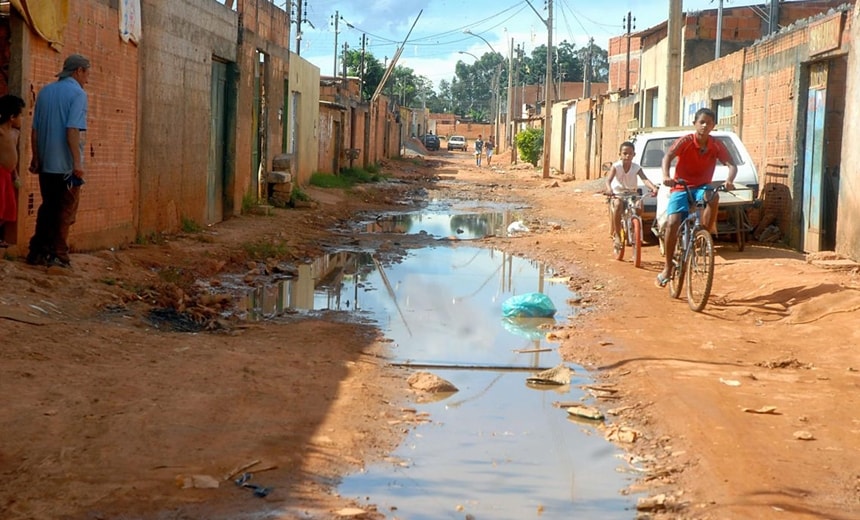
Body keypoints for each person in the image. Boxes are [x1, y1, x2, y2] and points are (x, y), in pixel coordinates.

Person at [655, 108, 736, 287]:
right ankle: (668, 267)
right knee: (673, 222)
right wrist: (666, 175)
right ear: (695, 124)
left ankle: (703, 234)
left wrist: (729, 180)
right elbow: (668, 156)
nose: (705, 126)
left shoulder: (716, 145)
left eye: (709, 123)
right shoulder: (686, 141)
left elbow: (732, 165)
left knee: (713, 197)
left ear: (714, 126)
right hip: (681, 186)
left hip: (702, 187)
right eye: (702, 122)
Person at [26, 54, 90, 269]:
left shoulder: (45, 92)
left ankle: (37, 251)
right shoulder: (78, 94)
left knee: (49, 206)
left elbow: (34, 130)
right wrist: (77, 163)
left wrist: (36, 156)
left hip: (46, 162)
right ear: (78, 71)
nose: (87, 79)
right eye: (86, 73)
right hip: (65, 164)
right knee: (64, 210)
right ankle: (58, 254)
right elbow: (72, 129)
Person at [604, 141, 658, 251]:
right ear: (620, 154)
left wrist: (653, 187)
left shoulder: (636, 167)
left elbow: (644, 179)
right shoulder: (616, 166)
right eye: (625, 153)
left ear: (634, 155)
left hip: (632, 193)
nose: (627, 156)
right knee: (618, 205)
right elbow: (608, 180)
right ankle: (618, 235)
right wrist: (609, 189)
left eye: (630, 153)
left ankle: (635, 229)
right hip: (618, 193)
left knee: (639, 205)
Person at [0, 95, 25, 249]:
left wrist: (15, 175)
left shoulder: (15, 134)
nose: (21, 118)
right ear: (11, 117)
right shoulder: (0, 133)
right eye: (20, 115)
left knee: (8, 207)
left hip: (8, 175)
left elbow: (13, 156)